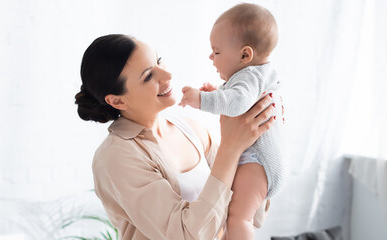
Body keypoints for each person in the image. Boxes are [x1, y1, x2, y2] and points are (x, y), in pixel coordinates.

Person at [75, 34, 276, 239]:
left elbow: (254, 213)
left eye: (159, 60)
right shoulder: (115, 157)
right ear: (117, 101)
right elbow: (184, 235)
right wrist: (231, 148)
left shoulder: (191, 130)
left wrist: (248, 124)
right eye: (148, 76)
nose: (168, 74)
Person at [178, 3, 284, 239]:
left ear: (245, 55)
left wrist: (202, 99)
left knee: (238, 219)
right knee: (232, 218)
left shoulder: (250, 75)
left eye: (216, 52)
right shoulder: (257, 75)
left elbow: (237, 103)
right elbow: (240, 100)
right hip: (260, 162)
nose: (210, 57)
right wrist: (219, 92)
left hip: (258, 162)